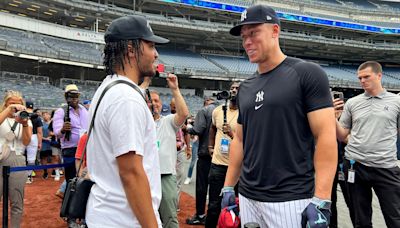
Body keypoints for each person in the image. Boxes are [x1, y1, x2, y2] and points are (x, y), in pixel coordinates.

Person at [222, 4, 337, 228]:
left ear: (275, 31)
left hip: (291, 198)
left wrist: (322, 198)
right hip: (247, 196)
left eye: (254, 32)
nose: (247, 41)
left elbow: (325, 135)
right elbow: (240, 139)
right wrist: (229, 186)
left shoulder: (307, 73)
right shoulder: (245, 87)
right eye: (244, 36)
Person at [86, 15, 169, 227]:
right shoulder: (125, 97)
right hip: (124, 219)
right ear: (131, 50)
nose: (156, 53)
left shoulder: (108, 87)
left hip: (108, 214)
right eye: (150, 46)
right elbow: (131, 173)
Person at [335, 61, 400, 228]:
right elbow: (342, 135)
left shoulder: (396, 101)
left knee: (395, 217)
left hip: (385, 166)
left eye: (366, 77)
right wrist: (331, 117)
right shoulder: (353, 103)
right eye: (359, 78)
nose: (362, 81)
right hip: (355, 166)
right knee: (360, 219)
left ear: (379, 75)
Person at [148, 80, 189, 227]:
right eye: (150, 101)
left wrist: (175, 89)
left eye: (156, 101)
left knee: (169, 218)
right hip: (145, 176)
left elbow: (184, 113)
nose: (154, 104)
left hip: (165, 175)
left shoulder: (168, 121)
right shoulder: (140, 123)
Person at [205, 82, 240, 228]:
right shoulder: (218, 111)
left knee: (236, 206)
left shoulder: (246, 112)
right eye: (232, 88)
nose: (233, 90)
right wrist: (210, 146)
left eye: (237, 89)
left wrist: (231, 133)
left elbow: (248, 139)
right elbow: (212, 128)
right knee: (214, 206)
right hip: (218, 165)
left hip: (237, 167)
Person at [0, 90, 32, 227]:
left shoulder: (26, 120)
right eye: (11, 103)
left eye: (18, 104)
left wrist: (24, 123)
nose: (15, 107)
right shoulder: (2, 117)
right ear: (5, 104)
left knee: (17, 202)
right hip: (1, 157)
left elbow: (26, 142)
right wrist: (8, 111)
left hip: (18, 159)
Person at [186, 97, 218, 225]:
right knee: (216, 189)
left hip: (205, 154)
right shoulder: (221, 111)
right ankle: (214, 217)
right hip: (219, 156)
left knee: (201, 187)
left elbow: (197, 130)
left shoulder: (204, 111)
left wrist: (188, 127)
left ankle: (200, 215)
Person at [25, 101, 42, 184]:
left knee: (19, 155)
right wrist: (40, 143)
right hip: (34, 136)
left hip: (23, 135)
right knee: (31, 159)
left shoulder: (22, 114)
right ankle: (28, 176)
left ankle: (19, 175)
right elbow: (39, 132)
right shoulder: (37, 117)